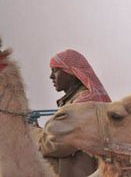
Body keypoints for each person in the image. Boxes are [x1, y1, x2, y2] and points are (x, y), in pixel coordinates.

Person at [36, 49, 111, 177]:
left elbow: (60, 144)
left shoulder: (84, 103)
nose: (51, 77)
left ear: (71, 72)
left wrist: (33, 134)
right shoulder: (75, 101)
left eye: (55, 70)